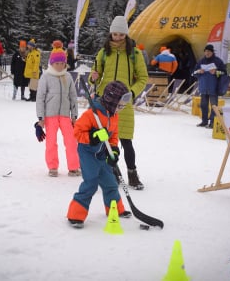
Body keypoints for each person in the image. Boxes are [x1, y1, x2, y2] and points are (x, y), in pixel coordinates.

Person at [89, 15, 148, 190]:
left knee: (126, 140)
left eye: (121, 35)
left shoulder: (134, 54)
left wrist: (131, 93)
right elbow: (95, 72)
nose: (117, 37)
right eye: (115, 34)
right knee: (106, 140)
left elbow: (143, 78)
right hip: (104, 102)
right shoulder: (103, 52)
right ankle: (110, 172)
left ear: (126, 35)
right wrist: (94, 77)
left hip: (123, 103)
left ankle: (132, 173)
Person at [66, 81, 133, 228]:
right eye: (119, 105)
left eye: (123, 106)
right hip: (88, 153)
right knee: (91, 184)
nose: (121, 109)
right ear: (111, 101)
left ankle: (115, 209)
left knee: (110, 183)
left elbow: (114, 135)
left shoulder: (114, 115)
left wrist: (114, 150)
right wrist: (93, 136)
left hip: (103, 154)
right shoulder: (91, 115)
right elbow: (77, 133)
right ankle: (75, 215)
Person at [36, 46, 80, 177]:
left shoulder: (68, 77)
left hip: (66, 116)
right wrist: (41, 118)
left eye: (62, 63)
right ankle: (53, 167)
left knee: (71, 142)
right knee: (51, 142)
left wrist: (74, 115)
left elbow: (73, 96)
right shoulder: (46, 77)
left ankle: (73, 167)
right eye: (57, 63)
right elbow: (40, 98)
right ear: (51, 63)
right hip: (50, 116)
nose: (60, 66)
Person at [193, 44, 226, 129]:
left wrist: (216, 72)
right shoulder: (201, 61)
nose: (207, 53)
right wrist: (199, 71)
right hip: (203, 87)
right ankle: (204, 121)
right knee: (203, 105)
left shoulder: (218, 61)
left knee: (214, 105)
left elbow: (224, 73)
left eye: (209, 51)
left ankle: (213, 122)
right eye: (206, 51)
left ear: (212, 52)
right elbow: (193, 73)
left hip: (214, 87)